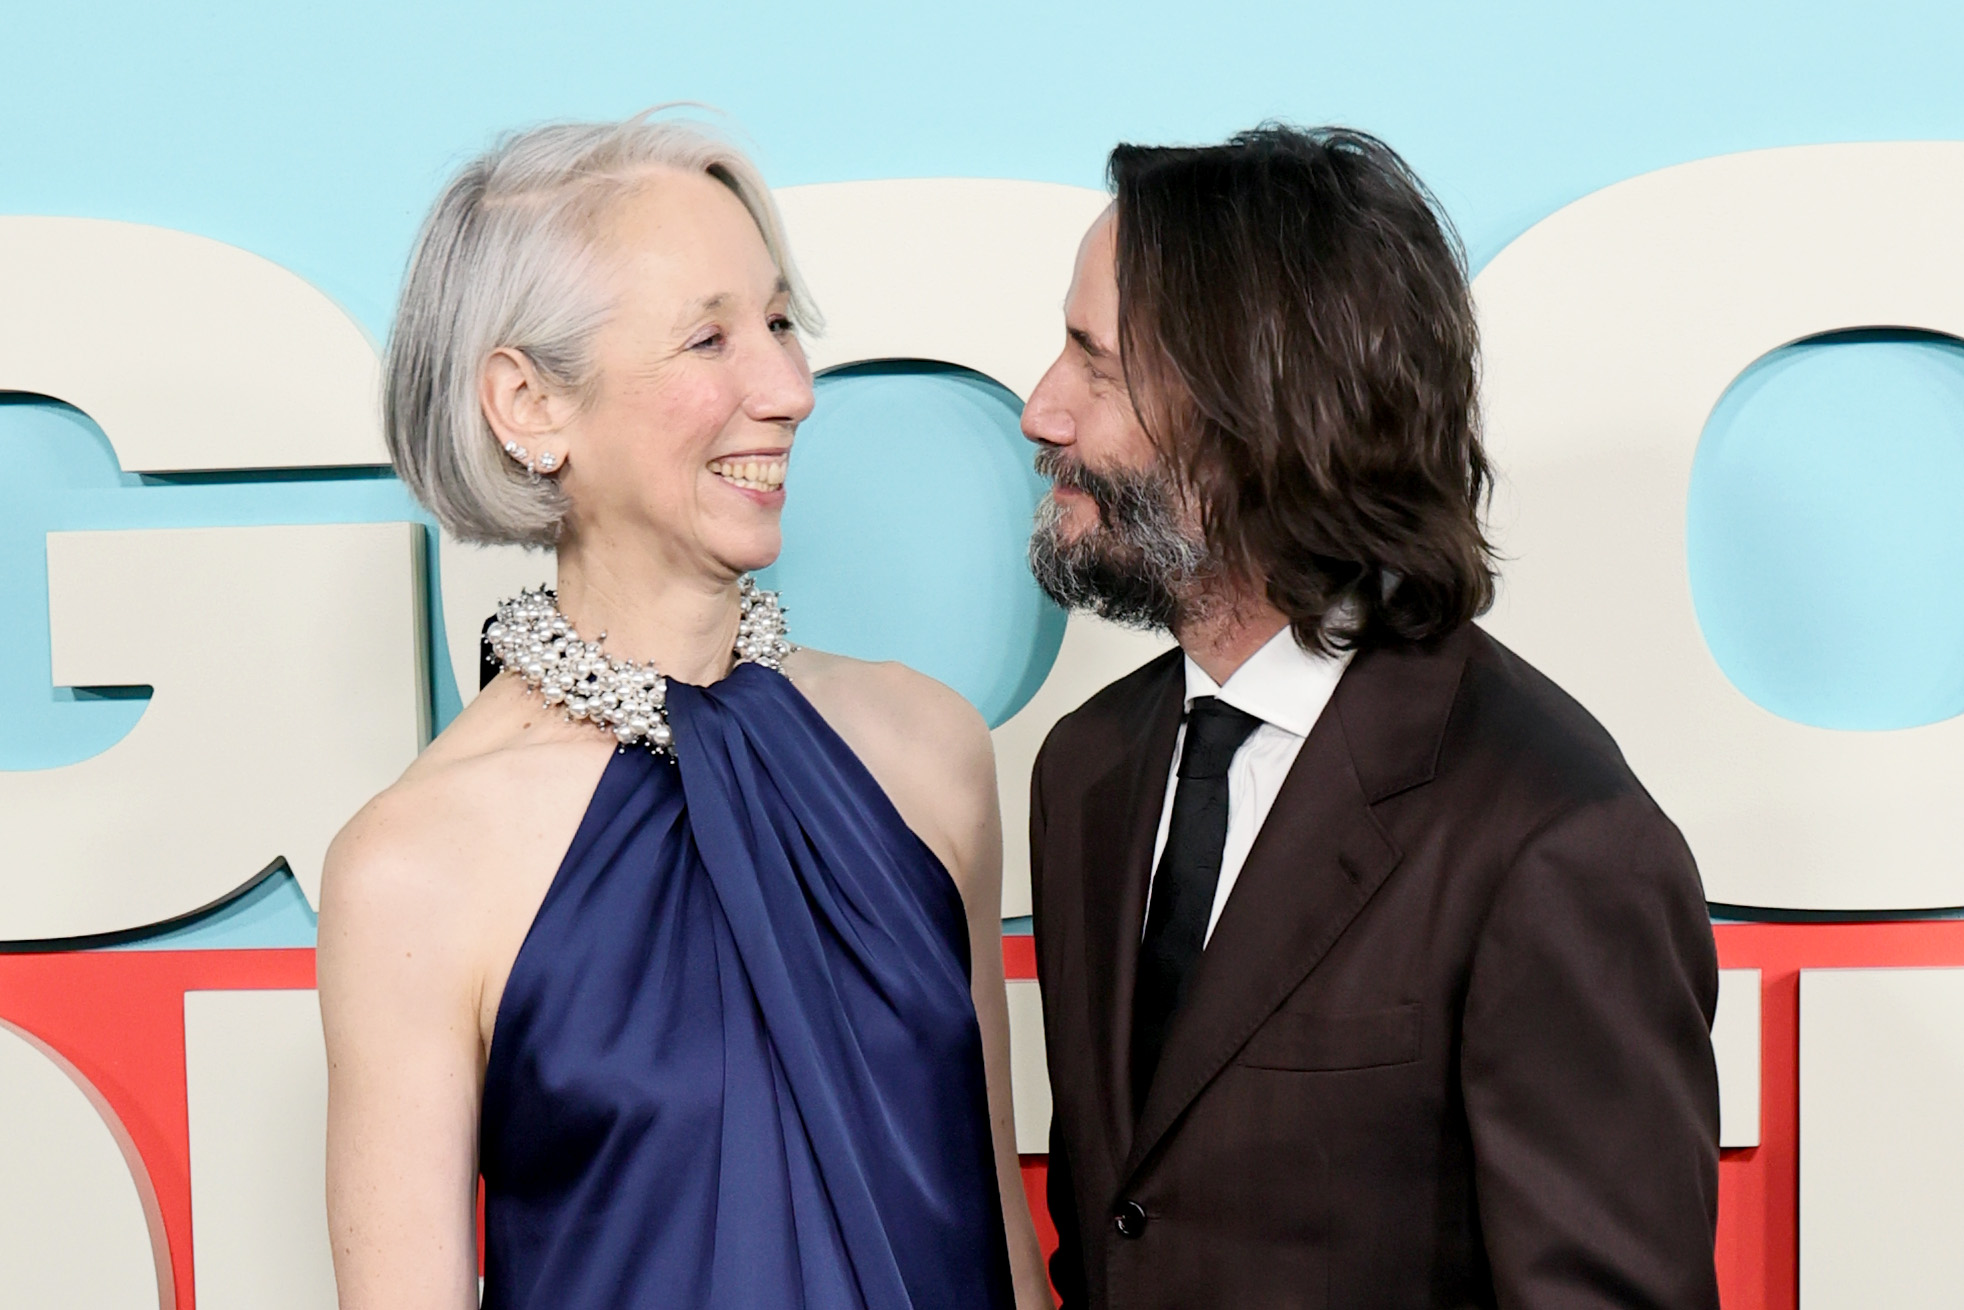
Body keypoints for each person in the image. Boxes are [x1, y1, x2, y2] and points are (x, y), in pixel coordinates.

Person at [316, 114, 1048, 1310]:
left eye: (776, 323)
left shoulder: (927, 755)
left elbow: (999, 1244)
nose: (789, 387)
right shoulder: (414, 867)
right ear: (528, 403)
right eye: (709, 336)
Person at [1021, 125, 1721, 1309]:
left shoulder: (1555, 840)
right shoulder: (1087, 769)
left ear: (1256, 411)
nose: (1041, 410)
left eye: (1096, 363)